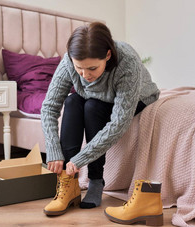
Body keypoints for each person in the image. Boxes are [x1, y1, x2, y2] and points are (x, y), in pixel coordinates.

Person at [41, 22, 160, 216]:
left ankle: (96, 181)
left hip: (137, 98)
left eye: (92, 68)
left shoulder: (127, 61)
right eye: (79, 68)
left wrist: (81, 158)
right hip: (96, 97)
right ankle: (68, 183)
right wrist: (53, 150)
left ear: (107, 55)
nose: (85, 75)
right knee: (71, 103)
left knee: (93, 107)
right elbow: (49, 106)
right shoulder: (69, 62)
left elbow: (119, 123)